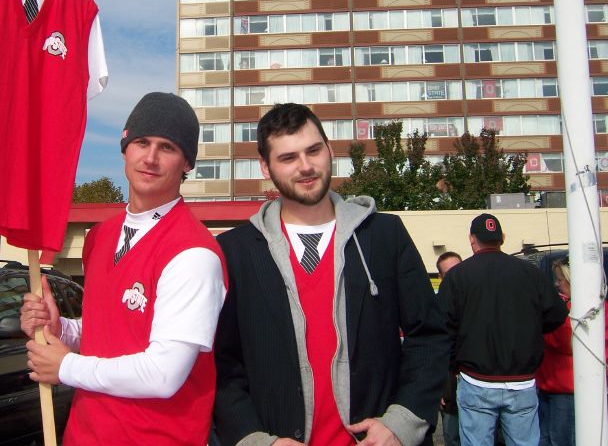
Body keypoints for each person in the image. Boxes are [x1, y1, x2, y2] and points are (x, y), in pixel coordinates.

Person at [213, 103, 449, 446]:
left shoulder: (384, 234)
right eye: (288, 157)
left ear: (329, 149)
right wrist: (255, 439)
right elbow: (222, 363)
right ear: (265, 167)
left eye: (313, 150)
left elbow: (429, 336)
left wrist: (401, 423)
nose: (306, 166)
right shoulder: (235, 251)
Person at [20, 92, 227, 446]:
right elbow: (116, 332)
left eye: (167, 147)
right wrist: (62, 330)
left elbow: (164, 374)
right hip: (83, 435)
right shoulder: (100, 237)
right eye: (141, 142)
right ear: (125, 147)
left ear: (187, 163)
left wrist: (66, 366)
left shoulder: (194, 253)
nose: (150, 158)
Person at [438, 214, 568, 446]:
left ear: (472, 239)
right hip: (521, 379)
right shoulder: (530, 273)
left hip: (476, 378)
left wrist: (452, 365)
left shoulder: (457, 275)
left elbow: (443, 327)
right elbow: (557, 314)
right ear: (502, 239)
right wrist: (530, 330)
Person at [536, 258, 575, 446]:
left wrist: (540, 330)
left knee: (560, 440)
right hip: (546, 383)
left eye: (560, 279)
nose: (557, 284)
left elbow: (567, 343)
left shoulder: (581, 311)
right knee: (544, 439)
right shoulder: (562, 307)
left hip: (565, 388)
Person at [436, 252, 463, 446]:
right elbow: (433, 350)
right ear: (440, 277)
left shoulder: (477, 300)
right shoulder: (435, 307)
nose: (455, 277)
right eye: (448, 273)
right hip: (450, 392)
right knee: (453, 438)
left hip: (481, 384)